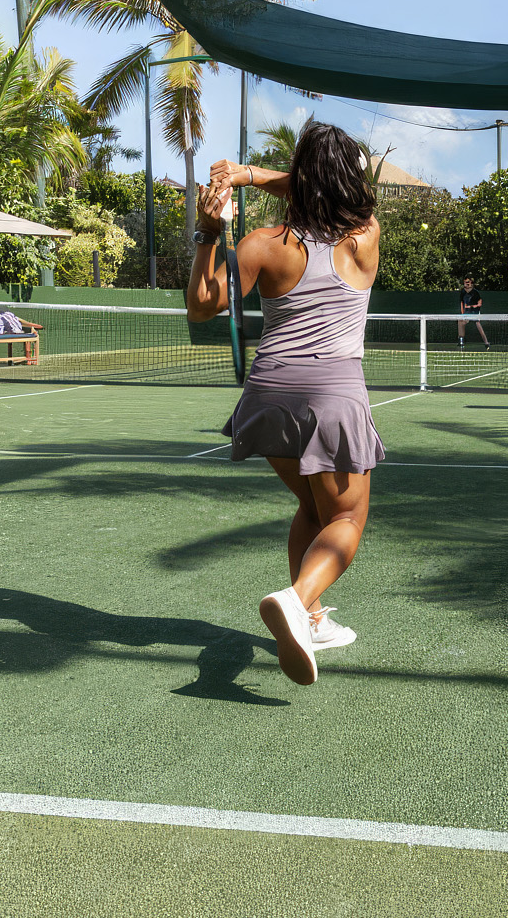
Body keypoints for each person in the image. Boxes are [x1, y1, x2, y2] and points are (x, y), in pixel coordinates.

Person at [187, 121, 383, 687]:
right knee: (346, 517)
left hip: (267, 394)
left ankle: (313, 619)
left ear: (299, 180)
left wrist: (208, 226)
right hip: (333, 392)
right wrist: (257, 177)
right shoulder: (363, 234)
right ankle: (297, 601)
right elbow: (329, 186)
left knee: (315, 510)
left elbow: (203, 307)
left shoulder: (259, 246)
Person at [458, 275, 490, 349]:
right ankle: (461, 340)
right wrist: (462, 313)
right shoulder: (462, 292)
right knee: (461, 321)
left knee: (478, 325)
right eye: (465, 282)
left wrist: (472, 307)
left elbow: (479, 303)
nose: (466, 284)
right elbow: (462, 302)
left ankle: (486, 343)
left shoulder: (475, 293)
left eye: (468, 282)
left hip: (475, 312)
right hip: (467, 312)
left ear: (472, 284)